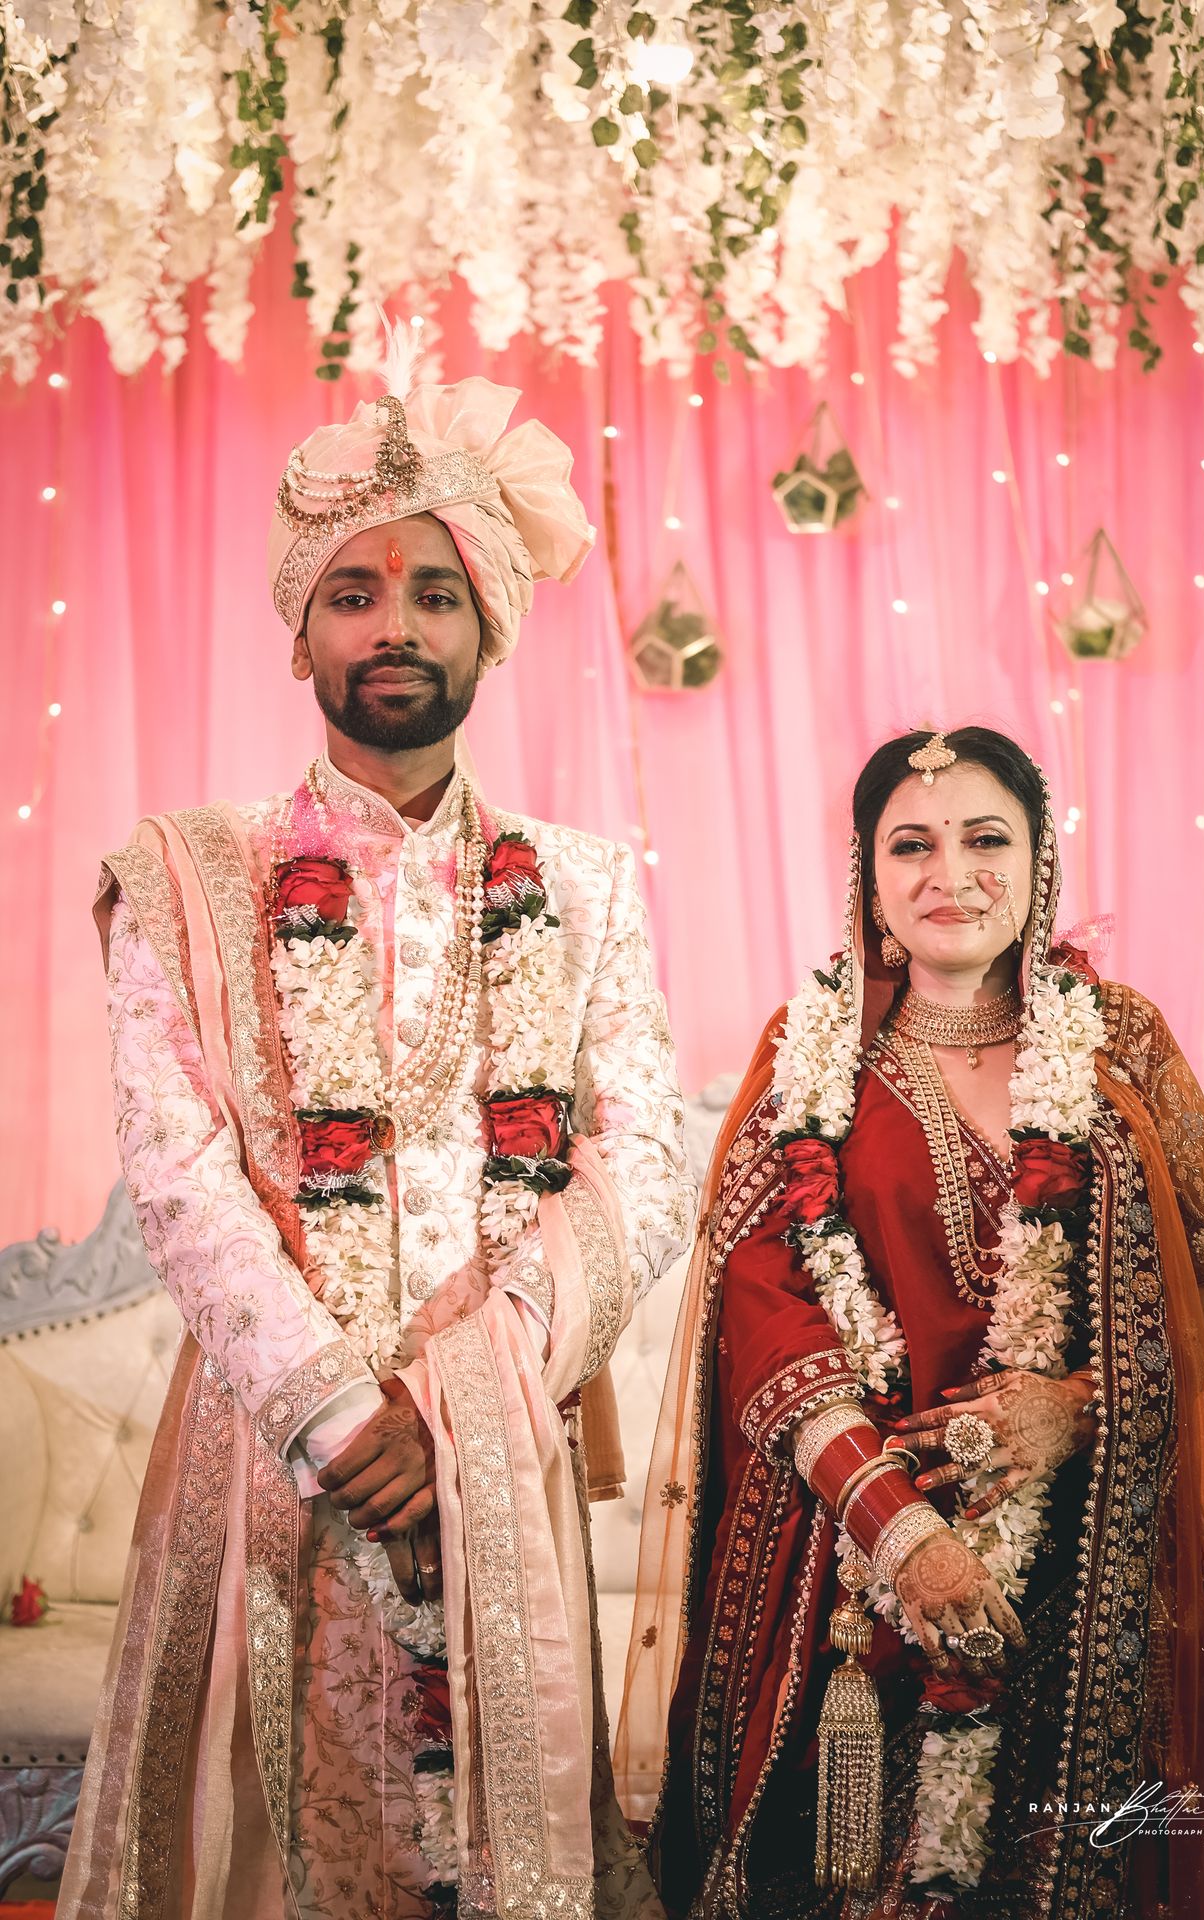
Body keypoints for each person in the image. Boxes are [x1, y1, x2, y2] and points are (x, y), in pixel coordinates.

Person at [59, 343, 693, 1920]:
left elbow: (645, 1156)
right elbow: (182, 1169)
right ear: (300, 637)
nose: (394, 624)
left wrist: (487, 1378)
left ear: (489, 628)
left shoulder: (592, 884)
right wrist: (344, 1415)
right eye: (354, 591)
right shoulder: (184, 878)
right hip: (275, 1457)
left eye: (434, 591)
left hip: (505, 1435)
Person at [617, 725, 1204, 1919]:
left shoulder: (1122, 1044)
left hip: (1089, 1547)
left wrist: (1072, 1408)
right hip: (853, 1551)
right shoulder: (809, 1054)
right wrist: (898, 1529)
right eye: (909, 846)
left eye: (986, 839)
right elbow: (759, 1312)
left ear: (1037, 865)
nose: (949, 874)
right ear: (866, 884)